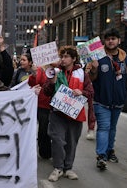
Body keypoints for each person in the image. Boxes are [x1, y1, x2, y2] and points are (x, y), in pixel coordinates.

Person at [87, 28, 127, 170]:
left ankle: (110, 150)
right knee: (104, 127)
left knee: (112, 128)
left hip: (118, 102)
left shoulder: (126, 60)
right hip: (101, 101)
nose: (111, 41)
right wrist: (93, 69)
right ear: (104, 41)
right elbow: (89, 78)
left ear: (119, 41)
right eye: (108, 39)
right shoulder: (97, 57)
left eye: (113, 38)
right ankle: (101, 156)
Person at [43, 46, 94, 182]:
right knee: (57, 140)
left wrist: (81, 92)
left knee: (72, 142)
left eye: (66, 57)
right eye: (62, 56)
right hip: (57, 113)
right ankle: (58, 168)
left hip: (74, 114)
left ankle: (68, 168)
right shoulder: (55, 72)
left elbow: (90, 92)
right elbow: (46, 91)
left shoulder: (82, 74)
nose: (63, 59)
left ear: (74, 59)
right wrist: (52, 83)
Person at [27, 66, 52, 159]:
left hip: (53, 104)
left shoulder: (58, 67)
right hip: (41, 104)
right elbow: (33, 82)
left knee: (47, 130)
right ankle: (43, 151)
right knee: (41, 129)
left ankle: (48, 151)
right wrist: (34, 74)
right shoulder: (39, 68)